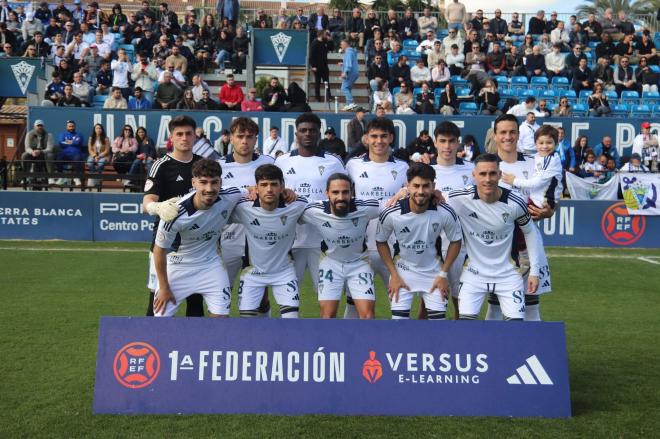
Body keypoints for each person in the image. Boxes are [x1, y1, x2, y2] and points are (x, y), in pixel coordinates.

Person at [447, 154, 545, 321]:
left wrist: (535, 272)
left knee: (514, 329)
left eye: (492, 173)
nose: (488, 179)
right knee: (465, 327)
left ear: (500, 175)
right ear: (474, 175)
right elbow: (427, 195)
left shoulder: (515, 202)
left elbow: (530, 232)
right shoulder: (458, 198)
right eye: (483, 174)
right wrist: (405, 190)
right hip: (473, 273)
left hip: (508, 275)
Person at [153, 159, 242, 317]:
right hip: (178, 268)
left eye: (214, 182)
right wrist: (164, 287)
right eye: (203, 182)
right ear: (194, 183)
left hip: (210, 266)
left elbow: (254, 191)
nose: (209, 189)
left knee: (221, 320)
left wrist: (286, 193)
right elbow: (159, 250)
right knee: (161, 322)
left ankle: (213, 343)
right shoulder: (175, 213)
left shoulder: (231, 195)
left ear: (220, 182)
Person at [488, 114, 555, 322]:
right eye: (503, 132)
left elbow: (548, 199)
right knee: (496, 307)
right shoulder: (487, 166)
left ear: (518, 134)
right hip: (498, 246)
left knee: (531, 305)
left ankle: (534, 352)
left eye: (512, 132)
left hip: (529, 243)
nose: (508, 137)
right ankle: (491, 352)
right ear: (495, 135)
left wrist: (548, 211)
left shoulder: (534, 161)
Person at [377, 163, 462, 320]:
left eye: (426, 186)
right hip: (402, 273)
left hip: (434, 274)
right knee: (399, 326)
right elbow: (381, 242)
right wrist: (393, 275)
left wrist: (443, 274)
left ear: (433, 186)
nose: (421, 191)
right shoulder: (392, 212)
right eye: (416, 186)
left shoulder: (444, 211)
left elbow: (456, 241)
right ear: (407, 186)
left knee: (437, 325)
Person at [274, 113, 345, 295]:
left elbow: (344, 196)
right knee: (288, 298)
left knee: (326, 298)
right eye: (303, 130)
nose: (307, 134)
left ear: (319, 134)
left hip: (323, 240)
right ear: (296, 134)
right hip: (289, 240)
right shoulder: (282, 161)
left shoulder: (333, 162)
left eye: (312, 131)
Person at [142, 115, 205, 317]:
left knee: (196, 300)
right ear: (171, 137)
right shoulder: (161, 165)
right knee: (158, 298)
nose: (184, 138)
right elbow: (146, 202)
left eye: (188, 133)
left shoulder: (203, 165)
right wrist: (158, 207)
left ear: (195, 136)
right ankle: (150, 344)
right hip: (165, 243)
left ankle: (194, 346)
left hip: (197, 242)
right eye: (179, 134)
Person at [345, 117, 408, 318]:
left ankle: (397, 347)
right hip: (360, 247)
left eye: (383, 136)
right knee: (354, 306)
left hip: (393, 246)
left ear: (391, 138)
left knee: (399, 303)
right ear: (366, 139)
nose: (379, 141)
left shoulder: (403, 167)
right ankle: (350, 348)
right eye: (374, 136)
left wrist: (406, 191)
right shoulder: (352, 165)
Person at [229, 164, 306, 318]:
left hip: (284, 272)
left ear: (282, 186)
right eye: (263, 185)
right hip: (253, 273)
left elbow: (325, 208)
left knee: (292, 320)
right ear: (256, 188)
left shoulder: (297, 205)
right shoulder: (244, 207)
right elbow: (216, 204)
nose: (269, 189)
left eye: (274, 184)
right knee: (247, 325)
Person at [300, 174, 379, 319]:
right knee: (327, 316)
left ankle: (366, 342)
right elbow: (291, 210)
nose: (341, 197)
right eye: (335, 192)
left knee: (367, 316)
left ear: (351, 193)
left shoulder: (367, 208)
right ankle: (327, 342)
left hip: (359, 263)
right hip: (330, 263)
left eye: (345, 192)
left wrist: (404, 192)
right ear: (327, 193)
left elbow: (392, 205)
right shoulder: (314, 210)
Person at [218, 118, 274, 301]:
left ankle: (262, 329)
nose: (244, 141)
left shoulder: (269, 163)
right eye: (240, 136)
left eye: (249, 137)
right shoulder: (219, 166)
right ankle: (221, 329)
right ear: (231, 138)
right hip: (228, 236)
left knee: (260, 295)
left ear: (256, 140)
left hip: (261, 236)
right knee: (222, 292)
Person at [430, 121, 475, 318]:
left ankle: (461, 343)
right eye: (442, 141)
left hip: (461, 243)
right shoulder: (425, 170)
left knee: (460, 300)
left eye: (451, 141)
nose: (447, 146)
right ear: (435, 143)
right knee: (430, 300)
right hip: (430, 244)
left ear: (458, 143)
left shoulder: (472, 170)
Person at [502, 124, 563, 209]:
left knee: (509, 210)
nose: (544, 146)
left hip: (542, 203)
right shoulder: (539, 155)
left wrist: (514, 181)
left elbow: (537, 182)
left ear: (556, 143)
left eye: (549, 142)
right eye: (541, 143)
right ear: (535, 144)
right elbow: (527, 156)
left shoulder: (551, 160)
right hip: (534, 199)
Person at [55, 120, 85, 186]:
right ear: (67, 127)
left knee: (78, 158)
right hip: (65, 154)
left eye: (72, 126)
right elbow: (61, 143)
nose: (71, 128)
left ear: (74, 127)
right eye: (69, 126)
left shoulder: (79, 134)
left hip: (75, 154)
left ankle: (77, 178)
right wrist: (73, 142)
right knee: (58, 158)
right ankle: (61, 177)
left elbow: (78, 142)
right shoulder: (62, 134)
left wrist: (68, 142)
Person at [310, 29, 333, 102]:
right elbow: (311, 55)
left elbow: (331, 48)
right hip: (317, 66)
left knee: (327, 82)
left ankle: (329, 97)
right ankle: (317, 98)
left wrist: (330, 40)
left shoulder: (325, 41)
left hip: (324, 66)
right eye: (325, 34)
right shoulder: (314, 43)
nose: (326, 35)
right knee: (318, 83)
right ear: (321, 35)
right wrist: (313, 66)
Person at [85, 123, 110, 188]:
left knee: (100, 164)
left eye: (100, 128)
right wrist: (95, 156)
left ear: (102, 130)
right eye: (97, 128)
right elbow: (90, 149)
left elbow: (107, 150)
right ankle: (96, 178)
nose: (98, 129)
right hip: (93, 155)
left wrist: (99, 156)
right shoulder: (91, 138)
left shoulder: (106, 138)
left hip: (103, 156)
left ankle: (94, 179)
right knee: (89, 163)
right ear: (94, 130)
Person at [340, 39, 359, 111]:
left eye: (342, 44)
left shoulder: (348, 52)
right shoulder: (352, 52)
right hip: (354, 72)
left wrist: (345, 72)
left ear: (346, 44)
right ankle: (348, 104)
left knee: (344, 88)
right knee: (348, 88)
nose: (341, 46)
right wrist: (343, 64)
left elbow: (349, 64)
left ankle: (350, 103)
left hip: (350, 73)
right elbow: (351, 62)